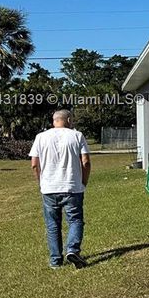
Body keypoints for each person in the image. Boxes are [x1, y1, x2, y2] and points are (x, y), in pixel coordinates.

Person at [29, 109, 91, 269]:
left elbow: (34, 164)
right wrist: (83, 181)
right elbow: (85, 162)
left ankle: (56, 260)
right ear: (68, 119)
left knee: (52, 225)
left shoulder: (40, 137)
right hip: (72, 186)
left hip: (49, 187)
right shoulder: (77, 136)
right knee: (75, 220)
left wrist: (41, 182)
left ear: (54, 120)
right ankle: (72, 249)